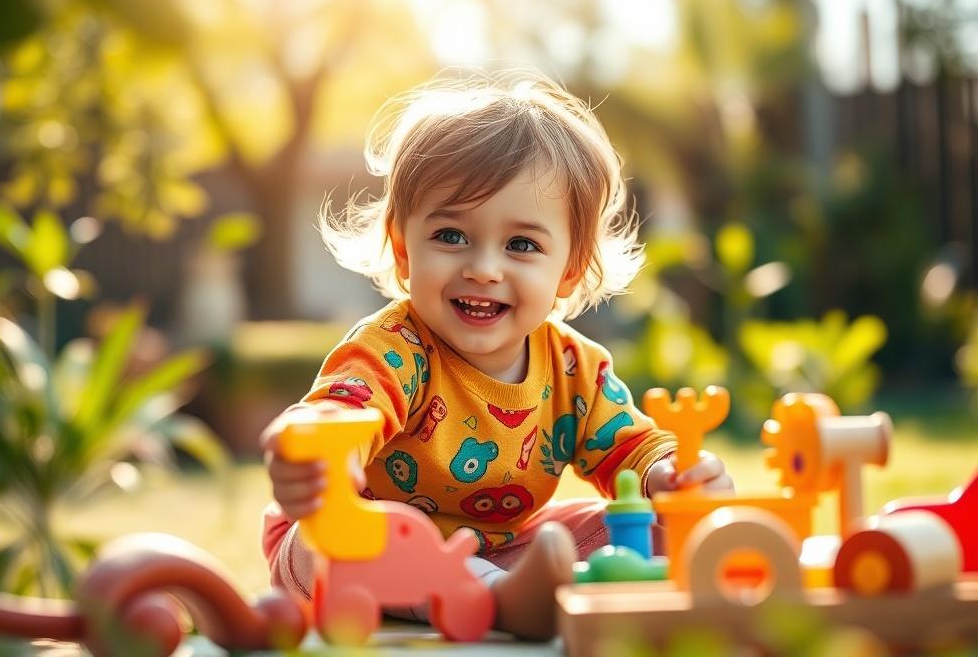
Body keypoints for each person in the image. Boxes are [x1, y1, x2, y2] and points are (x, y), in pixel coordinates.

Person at [260, 69, 733, 641]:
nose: (484, 268)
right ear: (404, 248)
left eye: (522, 245)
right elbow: (346, 404)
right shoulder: (394, 349)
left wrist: (669, 477)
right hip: (349, 551)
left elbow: (629, 446)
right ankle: (502, 599)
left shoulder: (572, 368)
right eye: (452, 236)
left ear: (570, 269)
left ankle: (537, 589)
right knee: (368, 539)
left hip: (506, 550)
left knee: (636, 525)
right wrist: (313, 447)